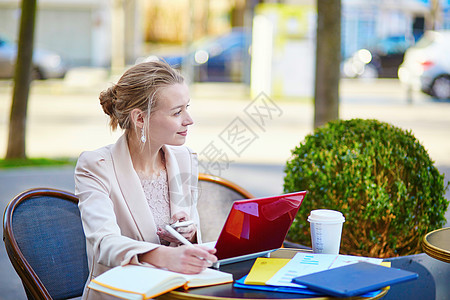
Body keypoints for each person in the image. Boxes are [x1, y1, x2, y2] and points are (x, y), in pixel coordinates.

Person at [75, 60, 217, 300]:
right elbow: (104, 243)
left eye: (187, 107)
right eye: (177, 112)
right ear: (140, 118)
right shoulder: (95, 166)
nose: (189, 120)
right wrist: (163, 255)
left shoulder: (184, 158)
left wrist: (187, 233)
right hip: (123, 295)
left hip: (179, 291)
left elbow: (192, 237)